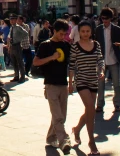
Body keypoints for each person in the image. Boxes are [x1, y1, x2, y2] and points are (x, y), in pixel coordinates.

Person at [34, 19, 72, 154]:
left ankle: (51, 138)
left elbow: (71, 64)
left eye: (65, 34)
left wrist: (72, 82)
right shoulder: (45, 45)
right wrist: (51, 57)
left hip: (63, 84)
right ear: (54, 31)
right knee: (58, 116)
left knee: (61, 115)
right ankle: (64, 141)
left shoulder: (66, 45)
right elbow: (36, 62)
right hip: (50, 85)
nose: (63, 36)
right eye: (61, 34)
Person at [68, 21, 104, 156]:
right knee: (90, 107)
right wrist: (70, 83)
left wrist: (102, 71)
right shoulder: (75, 47)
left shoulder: (96, 45)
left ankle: (77, 129)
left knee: (90, 110)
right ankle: (91, 141)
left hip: (93, 80)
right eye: (82, 31)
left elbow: (100, 60)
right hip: (81, 80)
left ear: (91, 32)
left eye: (87, 31)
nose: (85, 34)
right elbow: (71, 65)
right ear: (79, 32)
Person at [94, 8, 120, 112]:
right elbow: (96, 44)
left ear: (111, 18)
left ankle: (117, 104)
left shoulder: (117, 29)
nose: (104, 20)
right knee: (100, 85)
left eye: (106, 18)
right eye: (102, 18)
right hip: (101, 61)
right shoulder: (98, 29)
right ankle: (100, 104)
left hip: (113, 60)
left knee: (116, 84)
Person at [7, 15, 29, 83]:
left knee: (20, 62)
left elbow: (26, 33)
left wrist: (19, 39)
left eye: (13, 20)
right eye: (10, 20)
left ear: (16, 20)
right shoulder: (11, 28)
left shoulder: (18, 27)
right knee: (14, 62)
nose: (11, 21)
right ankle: (16, 76)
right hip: (12, 46)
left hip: (17, 46)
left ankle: (22, 77)